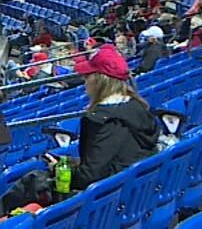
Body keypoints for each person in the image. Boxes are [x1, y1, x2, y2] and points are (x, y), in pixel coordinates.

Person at [46, 44, 158, 191]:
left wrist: (57, 169)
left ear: (99, 81)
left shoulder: (104, 119)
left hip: (113, 198)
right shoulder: (137, 107)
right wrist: (69, 162)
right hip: (137, 190)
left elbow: (90, 176)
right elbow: (113, 158)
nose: (84, 81)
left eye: (87, 76)